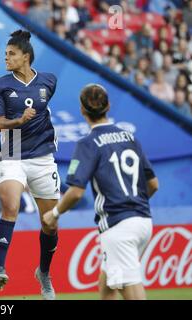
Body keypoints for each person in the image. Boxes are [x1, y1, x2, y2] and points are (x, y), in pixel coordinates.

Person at [42, 84, 159, 300]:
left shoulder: (88, 143)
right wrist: (133, 206)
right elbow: (153, 185)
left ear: (82, 110)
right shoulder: (129, 137)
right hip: (143, 222)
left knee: (131, 290)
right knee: (106, 288)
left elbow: (76, 192)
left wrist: (54, 214)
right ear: (109, 106)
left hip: (118, 227)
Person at [0, 30, 60, 299]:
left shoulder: (49, 82)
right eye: (5, 54)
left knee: (50, 224)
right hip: (13, 155)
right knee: (10, 206)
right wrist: (18, 121)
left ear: (26, 57)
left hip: (42, 158)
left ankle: (43, 272)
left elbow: (45, 111)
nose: (6, 58)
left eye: (11, 54)